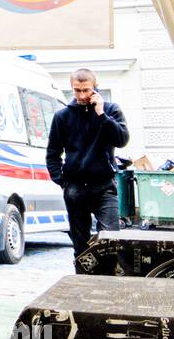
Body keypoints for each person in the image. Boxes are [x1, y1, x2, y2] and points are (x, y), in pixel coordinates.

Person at [46, 68, 130, 268]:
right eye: (77, 91)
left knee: (110, 239)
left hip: (103, 185)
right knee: (80, 244)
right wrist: (62, 181)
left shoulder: (111, 110)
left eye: (86, 90)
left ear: (95, 87)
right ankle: (83, 284)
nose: (82, 95)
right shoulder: (62, 116)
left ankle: (108, 282)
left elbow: (122, 140)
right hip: (75, 187)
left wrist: (101, 115)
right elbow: (53, 153)